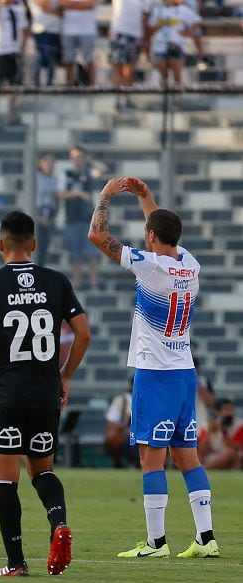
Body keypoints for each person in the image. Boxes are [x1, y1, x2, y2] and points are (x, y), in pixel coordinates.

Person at [87, 176, 220, 559]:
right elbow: (160, 229)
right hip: (184, 371)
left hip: (155, 372)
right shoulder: (188, 264)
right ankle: (206, 538)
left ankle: (156, 542)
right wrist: (145, 196)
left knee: (150, 457)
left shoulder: (149, 267)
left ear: (149, 237)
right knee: (187, 456)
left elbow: (98, 237)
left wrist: (105, 196)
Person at [0, 210, 90, 576]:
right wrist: (64, 376)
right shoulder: (57, 281)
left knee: (6, 478)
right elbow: (83, 334)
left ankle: (16, 563)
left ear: (1, 244)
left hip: (6, 390)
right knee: (42, 470)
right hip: (44, 390)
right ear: (34, 244)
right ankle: (59, 525)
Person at [61, 145, 107, 290]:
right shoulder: (66, 174)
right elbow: (60, 194)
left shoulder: (89, 172)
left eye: (80, 157)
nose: (77, 160)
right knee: (75, 255)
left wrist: (89, 161)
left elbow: (102, 169)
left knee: (91, 254)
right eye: (74, 157)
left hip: (88, 219)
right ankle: (77, 284)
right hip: (72, 219)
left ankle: (93, 284)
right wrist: (78, 194)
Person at [146, 0, 205, 86]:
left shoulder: (182, 9)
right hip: (160, 45)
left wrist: (187, 32)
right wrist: (160, 25)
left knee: (177, 76)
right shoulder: (157, 10)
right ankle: (164, 98)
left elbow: (198, 21)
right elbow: (150, 27)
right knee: (163, 76)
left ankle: (177, 98)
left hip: (176, 45)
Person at [110, 0, 152, 99]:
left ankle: (127, 98)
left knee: (129, 68)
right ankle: (118, 99)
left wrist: (146, 40)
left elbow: (146, 17)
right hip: (118, 32)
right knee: (117, 67)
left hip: (135, 34)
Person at [60, 0, 98, 86]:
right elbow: (62, 3)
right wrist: (82, 5)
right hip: (68, 31)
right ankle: (69, 86)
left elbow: (90, 4)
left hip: (87, 31)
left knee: (89, 59)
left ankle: (92, 86)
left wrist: (71, 5)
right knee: (68, 60)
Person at [199, 399, 242, 470]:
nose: (230, 412)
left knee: (229, 452)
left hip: (232, 459)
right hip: (213, 456)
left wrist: (224, 433)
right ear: (218, 412)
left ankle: (203, 470)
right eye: (226, 409)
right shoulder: (209, 425)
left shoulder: (239, 425)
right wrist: (210, 432)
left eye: (231, 409)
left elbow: (236, 449)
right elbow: (202, 451)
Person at [29, 0, 63, 87]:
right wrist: (57, 10)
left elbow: (62, 9)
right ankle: (36, 85)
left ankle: (49, 84)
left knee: (52, 59)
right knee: (42, 58)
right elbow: (45, 7)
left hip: (55, 31)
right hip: (42, 31)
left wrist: (56, 10)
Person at [105, 379, 137, 469]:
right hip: (125, 432)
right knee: (117, 435)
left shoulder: (150, 399)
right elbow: (110, 423)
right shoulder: (121, 400)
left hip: (146, 432)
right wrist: (124, 425)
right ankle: (121, 462)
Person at [34, 153, 60, 267]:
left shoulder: (54, 179)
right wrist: (37, 217)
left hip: (49, 214)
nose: (49, 164)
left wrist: (53, 217)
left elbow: (57, 199)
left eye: (52, 161)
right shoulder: (35, 177)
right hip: (36, 214)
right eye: (46, 161)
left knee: (44, 248)